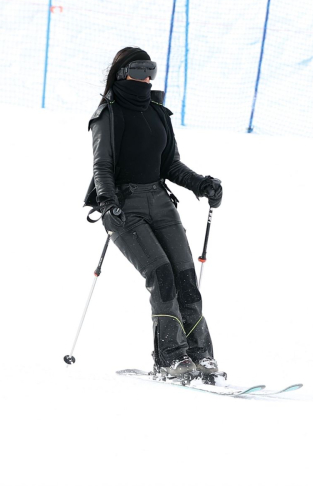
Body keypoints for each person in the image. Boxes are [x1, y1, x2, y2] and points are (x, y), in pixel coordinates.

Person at [83, 46, 223, 377]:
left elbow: (170, 164)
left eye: (151, 71)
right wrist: (107, 201)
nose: (146, 78)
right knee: (161, 276)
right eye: (138, 70)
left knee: (186, 278)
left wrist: (201, 184)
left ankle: (201, 357)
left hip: (161, 202)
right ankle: (171, 359)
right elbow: (102, 165)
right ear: (121, 73)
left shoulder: (158, 112)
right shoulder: (108, 114)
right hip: (124, 206)